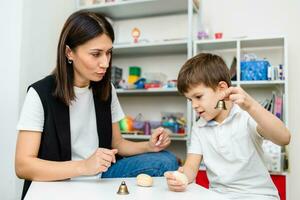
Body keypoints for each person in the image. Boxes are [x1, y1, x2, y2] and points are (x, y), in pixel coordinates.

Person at [15, 10, 178, 199]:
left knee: (167, 160)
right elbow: (22, 166)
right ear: (69, 53)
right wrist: (84, 166)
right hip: (61, 180)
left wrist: (148, 146)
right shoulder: (40, 93)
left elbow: (117, 143)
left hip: (102, 175)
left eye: (108, 53)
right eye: (96, 54)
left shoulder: (106, 89)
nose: (105, 63)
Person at [164, 53, 291, 200]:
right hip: (218, 196)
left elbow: (284, 138)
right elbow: (191, 168)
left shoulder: (246, 115)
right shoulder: (199, 127)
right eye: (189, 100)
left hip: (258, 195)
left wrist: (251, 105)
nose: (194, 105)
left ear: (222, 88)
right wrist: (181, 177)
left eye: (198, 97)